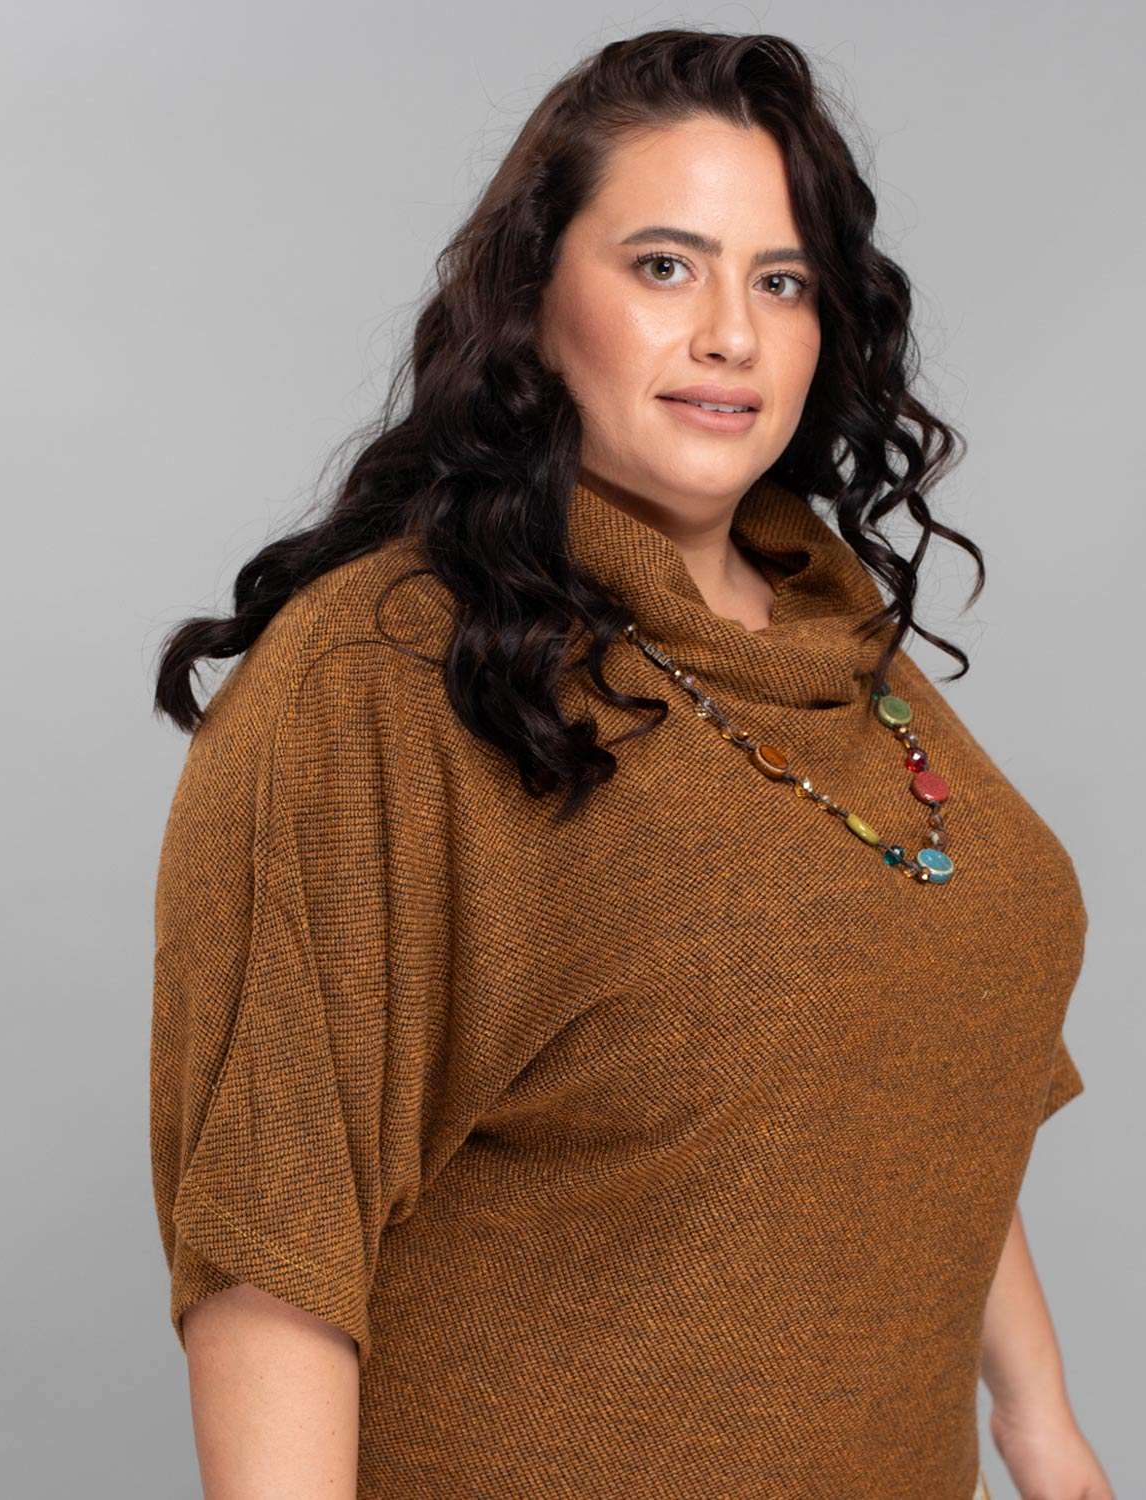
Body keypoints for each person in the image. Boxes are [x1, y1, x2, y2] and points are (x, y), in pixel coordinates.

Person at [149, 29, 1111, 1500]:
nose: (731, 334)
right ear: (533, 300)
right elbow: (274, 1242)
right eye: (666, 267)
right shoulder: (383, 675)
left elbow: (922, 1082)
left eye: (781, 282)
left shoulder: (824, 622)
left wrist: (1039, 1425)